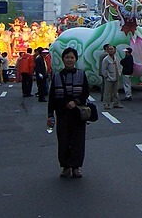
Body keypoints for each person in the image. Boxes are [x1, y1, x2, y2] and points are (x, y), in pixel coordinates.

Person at [48, 47, 91, 179]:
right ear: (63, 59)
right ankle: (65, 167)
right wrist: (50, 115)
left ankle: (76, 167)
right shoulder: (56, 76)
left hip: (77, 114)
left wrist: (76, 102)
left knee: (78, 141)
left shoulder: (81, 74)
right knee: (63, 140)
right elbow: (52, 97)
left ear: (76, 59)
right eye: (67, 57)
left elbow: (85, 92)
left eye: (72, 57)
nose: (69, 60)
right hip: (62, 114)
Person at [100, 45, 122, 109]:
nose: (111, 50)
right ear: (107, 50)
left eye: (112, 49)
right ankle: (106, 104)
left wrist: (119, 73)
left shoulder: (116, 58)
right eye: (109, 49)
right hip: (109, 78)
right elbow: (104, 69)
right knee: (107, 92)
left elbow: (119, 66)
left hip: (116, 76)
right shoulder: (106, 59)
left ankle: (116, 103)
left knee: (115, 92)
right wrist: (106, 76)